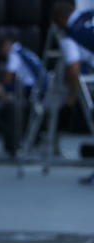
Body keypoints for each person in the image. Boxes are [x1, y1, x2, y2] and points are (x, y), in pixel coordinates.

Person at [52, 2, 94, 183]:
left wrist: (70, 97)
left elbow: (74, 69)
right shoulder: (91, 14)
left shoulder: (70, 36)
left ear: (61, 21)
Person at [0, 37, 47, 156]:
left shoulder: (14, 54)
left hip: (32, 89)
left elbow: (8, 76)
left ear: (5, 47)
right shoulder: (25, 51)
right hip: (41, 87)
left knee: (1, 89)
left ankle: (14, 145)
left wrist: (0, 89)